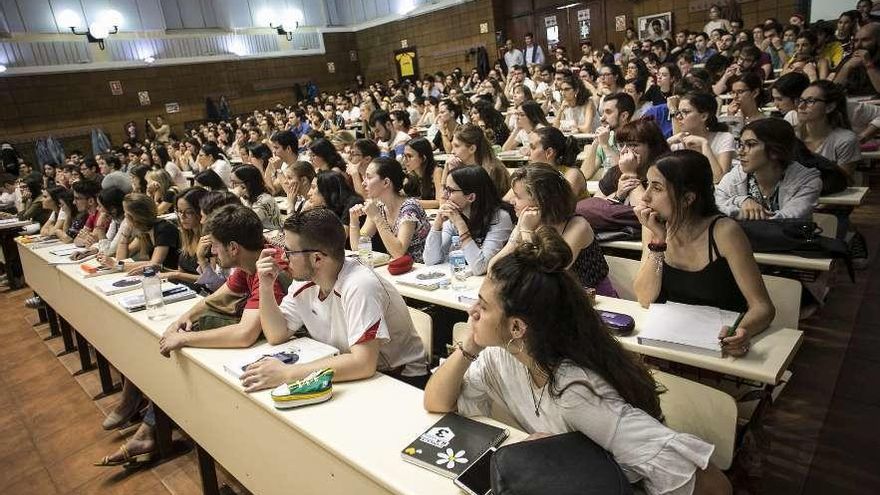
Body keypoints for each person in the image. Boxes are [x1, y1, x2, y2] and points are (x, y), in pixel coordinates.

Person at [424, 227, 733, 495]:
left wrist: (575, 458)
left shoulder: (576, 391)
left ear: (517, 327)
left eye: (483, 306)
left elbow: (714, 485)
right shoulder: (501, 356)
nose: (472, 311)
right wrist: (469, 345)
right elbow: (436, 401)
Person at [243, 207, 428, 391]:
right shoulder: (304, 281)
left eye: (290, 252)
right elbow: (276, 335)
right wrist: (265, 287)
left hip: (400, 379)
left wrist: (288, 374)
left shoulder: (360, 285)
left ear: (317, 259)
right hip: (353, 369)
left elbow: (363, 363)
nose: (283, 257)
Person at [633, 150, 775, 356]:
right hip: (671, 342)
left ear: (687, 198)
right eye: (647, 184)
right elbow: (645, 298)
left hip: (718, 345)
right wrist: (658, 241)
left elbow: (763, 307)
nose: (645, 197)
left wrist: (741, 330)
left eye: (656, 187)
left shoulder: (725, 232)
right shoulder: (654, 227)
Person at [495, 165, 612, 294]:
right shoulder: (528, 221)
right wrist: (518, 233)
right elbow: (494, 269)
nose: (512, 201)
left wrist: (526, 232)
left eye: (518, 196)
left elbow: (544, 279)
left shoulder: (578, 226)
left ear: (541, 200)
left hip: (593, 303)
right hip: (552, 300)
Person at [716, 119, 822, 221]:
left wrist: (741, 214)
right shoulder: (738, 174)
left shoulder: (807, 181)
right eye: (741, 144)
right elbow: (712, 205)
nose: (740, 152)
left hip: (787, 238)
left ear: (775, 151)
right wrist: (740, 200)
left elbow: (786, 220)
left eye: (751, 144)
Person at [423, 166, 514, 275]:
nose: (444, 195)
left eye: (450, 190)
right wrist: (437, 225)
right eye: (445, 189)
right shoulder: (454, 215)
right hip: (461, 280)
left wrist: (461, 225)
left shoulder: (500, 217)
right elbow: (431, 260)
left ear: (471, 197)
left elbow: (480, 267)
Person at [349, 157, 430, 263]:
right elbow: (357, 247)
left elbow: (398, 253)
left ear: (386, 182)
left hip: (422, 270)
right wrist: (354, 220)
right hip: (399, 271)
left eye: (368, 177)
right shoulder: (379, 206)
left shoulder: (409, 208)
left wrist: (377, 218)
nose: (364, 183)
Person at [594, 119, 671, 208]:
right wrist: (618, 196)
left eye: (633, 145)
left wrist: (630, 174)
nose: (623, 151)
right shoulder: (616, 172)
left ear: (653, 147)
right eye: (621, 145)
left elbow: (646, 213)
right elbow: (594, 207)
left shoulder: (665, 175)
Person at [794, 80, 862, 181]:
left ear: (829, 107)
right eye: (800, 100)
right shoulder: (791, 135)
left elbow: (843, 182)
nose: (801, 106)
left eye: (810, 101)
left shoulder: (845, 140)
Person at [98, 193, 181, 274]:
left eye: (126, 213)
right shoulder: (144, 231)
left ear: (135, 216)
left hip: (172, 279)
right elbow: (121, 259)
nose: (124, 215)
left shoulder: (164, 228)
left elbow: (154, 264)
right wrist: (125, 234)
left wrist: (117, 265)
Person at [668, 92, 736, 182]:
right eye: (678, 112)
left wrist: (704, 144)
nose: (679, 117)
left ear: (703, 116)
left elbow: (719, 179)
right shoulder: (676, 143)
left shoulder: (724, 138)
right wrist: (668, 142)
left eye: (685, 112)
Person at [159, 187, 210, 287]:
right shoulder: (187, 235)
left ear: (201, 212)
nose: (182, 217)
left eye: (189, 212)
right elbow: (183, 272)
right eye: (179, 211)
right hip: (185, 290)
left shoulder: (209, 240)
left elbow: (211, 280)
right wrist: (161, 269)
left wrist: (177, 275)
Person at [446, 124, 511, 199]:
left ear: (472, 149)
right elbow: (444, 200)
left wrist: (456, 176)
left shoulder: (492, 170)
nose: (452, 151)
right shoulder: (459, 166)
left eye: (456, 146)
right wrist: (447, 170)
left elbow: (476, 203)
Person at [581, 93, 635, 181]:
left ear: (624, 116)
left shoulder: (636, 141)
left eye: (608, 112)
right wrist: (595, 144)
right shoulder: (607, 138)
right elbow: (585, 175)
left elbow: (624, 175)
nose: (602, 118)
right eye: (602, 113)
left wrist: (606, 146)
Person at [525, 127, 588, 199]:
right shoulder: (531, 174)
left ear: (549, 153)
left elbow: (561, 205)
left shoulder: (572, 174)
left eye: (532, 148)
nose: (527, 153)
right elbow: (509, 199)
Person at [308, 170, 364, 239]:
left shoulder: (353, 203)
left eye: (313, 187)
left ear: (326, 189)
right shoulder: (326, 206)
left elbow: (340, 237)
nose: (309, 193)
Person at [231, 165, 282, 230]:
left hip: (273, 236)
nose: (231, 186)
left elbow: (246, 224)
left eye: (235, 182)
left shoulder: (264, 200)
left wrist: (234, 198)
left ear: (247, 184)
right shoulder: (245, 197)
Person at [401, 137, 441, 209]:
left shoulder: (437, 172)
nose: (404, 160)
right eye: (404, 156)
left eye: (409, 156)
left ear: (423, 158)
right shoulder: (410, 174)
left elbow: (439, 202)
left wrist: (410, 202)